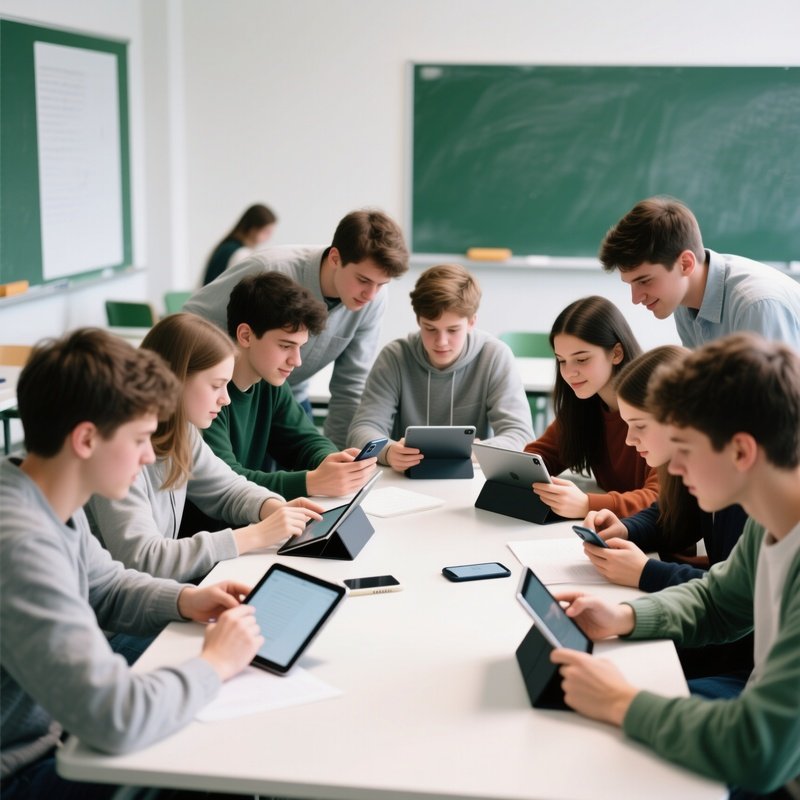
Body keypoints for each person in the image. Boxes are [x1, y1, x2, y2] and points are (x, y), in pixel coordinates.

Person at [0, 329, 263, 799]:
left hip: (52, 737)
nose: (149, 456)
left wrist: (186, 598)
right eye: (141, 438)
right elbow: (114, 716)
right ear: (85, 439)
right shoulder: (21, 545)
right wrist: (213, 664)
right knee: (214, 758)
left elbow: (106, 587)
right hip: (21, 770)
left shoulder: (35, 490)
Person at [550, 333, 800, 799]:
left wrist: (620, 703)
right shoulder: (770, 519)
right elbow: (720, 601)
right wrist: (624, 616)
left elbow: (758, 749)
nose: (674, 469)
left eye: (683, 447)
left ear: (741, 451)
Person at [86, 313, 323, 584]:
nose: (225, 399)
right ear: (175, 379)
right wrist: (254, 535)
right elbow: (144, 559)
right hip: (114, 615)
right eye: (216, 386)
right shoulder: (116, 450)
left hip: (153, 594)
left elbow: (226, 489)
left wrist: (272, 508)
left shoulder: (182, 431)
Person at [581, 345, 752, 684]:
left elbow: (735, 604)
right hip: (729, 640)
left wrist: (647, 572)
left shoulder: (754, 502)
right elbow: (674, 517)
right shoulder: (703, 470)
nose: (629, 439)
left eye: (639, 425)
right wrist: (627, 529)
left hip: (743, 656)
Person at [183, 208, 409, 448]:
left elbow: (349, 386)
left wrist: (341, 463)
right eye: (363, 280)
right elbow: (188, 321)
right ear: (335, 258)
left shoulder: (373, 300)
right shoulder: (269, 269)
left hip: (291, 400)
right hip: (235, 399)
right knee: (240, 478)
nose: (371, 295)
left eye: (381, 285)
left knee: (313, 459)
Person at [202, 271, 378, 498]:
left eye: (300, 347)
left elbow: (303, 441)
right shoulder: (207, 394)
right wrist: (312, 482)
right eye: (285, 346)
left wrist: (330, 460)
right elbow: (226, 482)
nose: (297, 361)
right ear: (245, 335)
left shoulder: (269, 383)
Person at [346, 263, 533, 471]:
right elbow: (362, 429)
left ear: (472, 322)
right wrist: (389, 451)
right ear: (418, 320)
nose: (441, 341)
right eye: (430, 328)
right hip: (404, 480)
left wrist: (479, 451)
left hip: (469, 476)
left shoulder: (495, 356)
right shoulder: (395, 357)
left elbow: (521, 435)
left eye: (453, 330)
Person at [598, 196, 800, 350]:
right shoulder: (684, 304)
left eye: (644, 280)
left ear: (685, 264)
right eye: (630, 284)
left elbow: (777, 402)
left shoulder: (756, 305)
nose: (635, 298)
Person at [523, 295, 658, 519]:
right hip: (616, 531)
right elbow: (541, 455)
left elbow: (661, 500)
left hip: (651, 543)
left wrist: (587, 504)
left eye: (582, 359)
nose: (568, 372)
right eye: (562, 360)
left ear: (616, 353)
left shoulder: (656, 406)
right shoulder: (587, 403)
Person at [201, 202, 277, 286]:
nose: (269, 237)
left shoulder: (226, 246)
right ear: (253, 229)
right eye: (266, 232)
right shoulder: (241, 253)